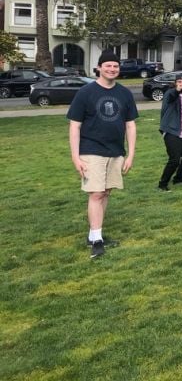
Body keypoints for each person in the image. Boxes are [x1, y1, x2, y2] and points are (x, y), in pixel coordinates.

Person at [67, 50, 138, 259]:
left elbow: (130, 125)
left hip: (115, 151)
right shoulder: (86, 92)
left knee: (106, 192)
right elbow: (74, 126)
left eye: (116, 66)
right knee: (96, 193)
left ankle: (93, 234)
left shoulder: (124, 93)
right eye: (108, 65)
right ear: (99, 68)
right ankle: (97, 240)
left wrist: (130, 154)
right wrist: (75, 156)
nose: (112, 69)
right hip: (91, 149)